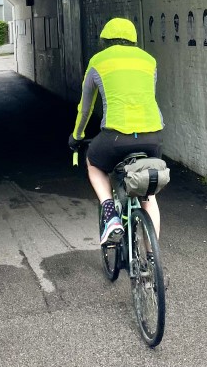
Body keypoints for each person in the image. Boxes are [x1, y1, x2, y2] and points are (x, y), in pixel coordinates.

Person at [69, 17, 165, 245]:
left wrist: (77, 136)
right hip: (152, 137)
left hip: (115, 136)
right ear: (133, 39)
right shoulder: (149, 60)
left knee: (93, 162)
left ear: (105, 40)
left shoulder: (97, 61)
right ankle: (153, 260)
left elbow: (85, 108)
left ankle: (110, 213)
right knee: (147, 194)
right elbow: (148, 96)